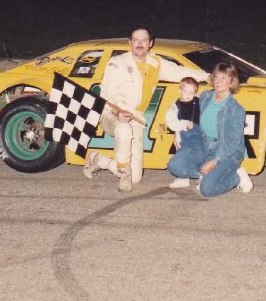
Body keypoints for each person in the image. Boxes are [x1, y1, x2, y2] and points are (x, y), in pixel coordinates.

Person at [83, 26, 209, 192]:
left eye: (144, 40)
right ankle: (124, 174)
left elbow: (179, 72)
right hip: (111, 113)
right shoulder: (117, 63)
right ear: (130, 42)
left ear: (150, 43)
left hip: (136, 117)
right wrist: (117, 112)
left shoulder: (155, 63)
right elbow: (104, 97)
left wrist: (207, 76)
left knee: (137, 178)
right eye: (136, 40)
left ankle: (98, 160)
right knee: (123, 129)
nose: (140, 44)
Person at [167, 62, 253, 196]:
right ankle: (206, 174)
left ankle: (237, 176)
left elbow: (231, 143)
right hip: (204, 145)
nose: (218, 81)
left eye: (223, 78)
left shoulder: (236, 109)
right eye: (216, 77)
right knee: (174, 165)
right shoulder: (205, 97)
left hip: (227, 151)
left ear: (231, 82)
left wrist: (214, 162)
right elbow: (188, 115)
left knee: (207, 190)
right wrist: (177, 132)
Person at [165, 78, 201, 189]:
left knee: (199, 155)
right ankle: (182, 178)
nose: (188, 95)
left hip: (199, 134)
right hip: (183, 135)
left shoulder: (200, 101)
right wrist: (184, 124)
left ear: (195, 93)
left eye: (192, 92)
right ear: (179, 90)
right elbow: (171, 121)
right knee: (182, 153)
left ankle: (203, 176)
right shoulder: (175, 106)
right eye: (186, 91)